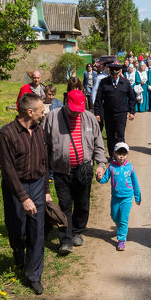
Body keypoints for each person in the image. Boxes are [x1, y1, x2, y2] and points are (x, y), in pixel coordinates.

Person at [0, 94, 49, 294]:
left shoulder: (40, 131)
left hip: (37, 184)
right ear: (30, 112)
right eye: (41, 110)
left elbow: (45, 162)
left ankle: (34, 274)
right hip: (15, 187)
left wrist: (46, 191)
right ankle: (19, 253)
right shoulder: (6, 134)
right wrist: (23, 198)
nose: (43, 113)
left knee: (37, 230)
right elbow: (8, 170)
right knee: (17, 229)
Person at [45, 89, 108, 255]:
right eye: (73, 109)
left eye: (78, 110)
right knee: (64, 204)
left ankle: (77, 231)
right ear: (66, 102)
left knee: (82, 203)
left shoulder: (89, 118)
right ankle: (65, 240)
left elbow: (98, 143)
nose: (75, 113)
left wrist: (101, 164)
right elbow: (44, 144)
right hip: (61, 170)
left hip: (84, 169)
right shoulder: (52, 117)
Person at [98, 142, 141, 251]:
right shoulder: (111, 167)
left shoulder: (130, 167)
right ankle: (122, 227)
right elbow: (104, 179)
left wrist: (137, 196)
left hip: (127, 197)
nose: (121, 156)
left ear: (127, 154)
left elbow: (135, 183)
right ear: (114, 153)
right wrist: (98, 177)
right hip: (115, 197)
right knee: (114, 215)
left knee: (123, 219)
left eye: (124, 153)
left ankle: (121, 240)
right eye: (119, 153)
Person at [94, 62, 137, 157]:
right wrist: (97, 113)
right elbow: (98, 99)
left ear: (120, 72)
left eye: (116, 74)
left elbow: (131, 99)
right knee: (110, 136)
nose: (114, 76)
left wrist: (132, 112)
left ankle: (121, 155)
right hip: (108, 114)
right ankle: (112, 155)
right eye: (112, 74)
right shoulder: (104, 82)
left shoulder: (125, 83)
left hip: (121, 114)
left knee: (120, 135)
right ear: (109, 73)